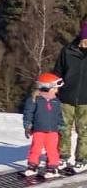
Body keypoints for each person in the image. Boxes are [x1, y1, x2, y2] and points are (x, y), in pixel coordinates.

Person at [53, 22, 87, 172]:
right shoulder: (67, 51)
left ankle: (82, 159)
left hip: (86, 100)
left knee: (84, 131)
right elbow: (57, 72)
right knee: (63, 128)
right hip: (66, 96)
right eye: (85, 39)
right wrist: (53, 88)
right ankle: (63, 157)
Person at [24, 73, 65, 178]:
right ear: (47, 87)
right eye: (55, 88)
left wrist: (61, 126)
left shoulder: (56, 101)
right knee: (35, 148)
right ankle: (32, 166)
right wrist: (28, 125)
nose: (56, 90)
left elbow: (59, 115)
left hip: (53, 131)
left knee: (52, 149)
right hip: (39, 129)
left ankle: (52, 167)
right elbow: (28, 113)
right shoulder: (34, 100)